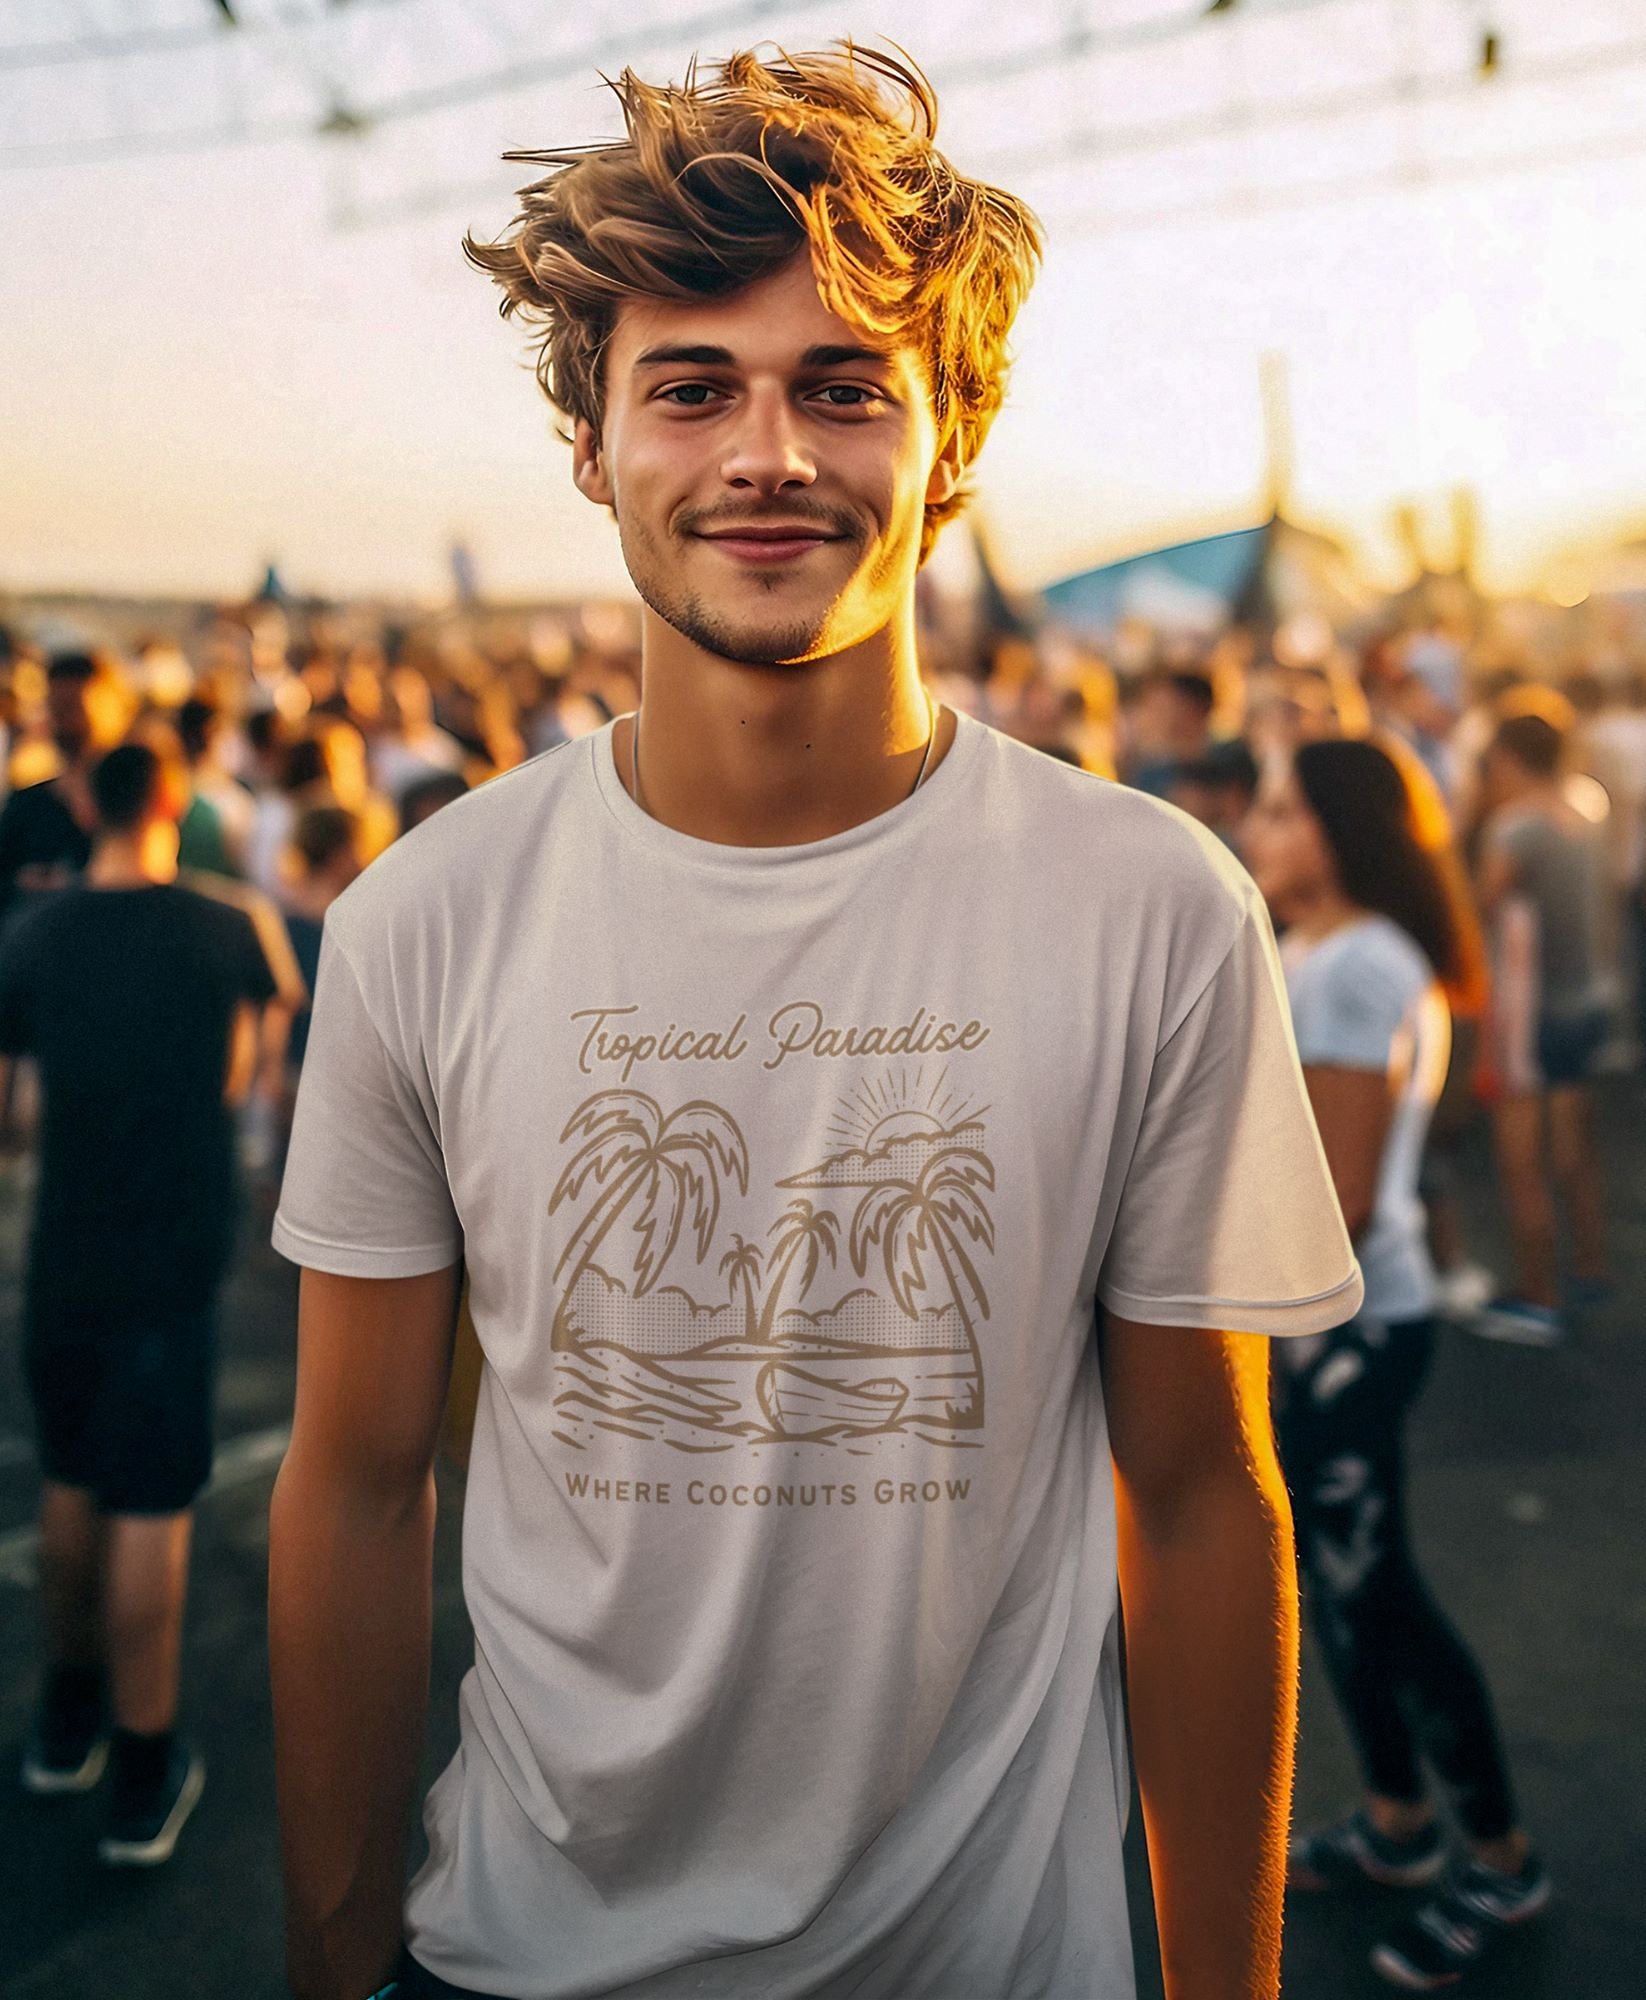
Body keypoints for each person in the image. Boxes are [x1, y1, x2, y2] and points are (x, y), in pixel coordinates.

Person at [268, 47, 1363, 2000]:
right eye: (691, 386)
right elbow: (354, 1477)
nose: (765, 452)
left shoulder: (1150, 907)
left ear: (949, 444)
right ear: (593, 446)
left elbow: (1198, 1492)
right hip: (512, 1951)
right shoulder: (423, 921)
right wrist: (334, 1955)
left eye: (841, 385)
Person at [1242, 736, 1549, 1993]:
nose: (1254, 828)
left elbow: (1348, 1192)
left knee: (1383, 1600)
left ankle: (1500, 1855)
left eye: (1278, 809)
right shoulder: (1323, 951)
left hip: (1351, 1334)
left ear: (1336, 830)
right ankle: (1396, 1821)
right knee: (1344, 1593)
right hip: (1332, 1332)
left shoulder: (1356, 963)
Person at [0, 742, 281, 1865]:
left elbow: (11, 1115)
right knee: (150, 1498)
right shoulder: (224, 924)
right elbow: (262, 1043)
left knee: (71, 1477)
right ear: (177, 805)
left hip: (65, 1240)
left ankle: (65, 1718)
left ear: (80, 802)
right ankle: (144, 1759)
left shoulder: (34, 934)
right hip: (173, 1246)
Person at [1474, 704, 1612, 1342]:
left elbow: (1481, 905)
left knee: (1520, 1158)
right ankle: (1591, 1268)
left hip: (1529, 1013)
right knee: (1576, 1149)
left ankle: (1539, 1295)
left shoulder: (1515, 827)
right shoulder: (1587, 805)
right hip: (1585, 998)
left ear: (1506, 756)